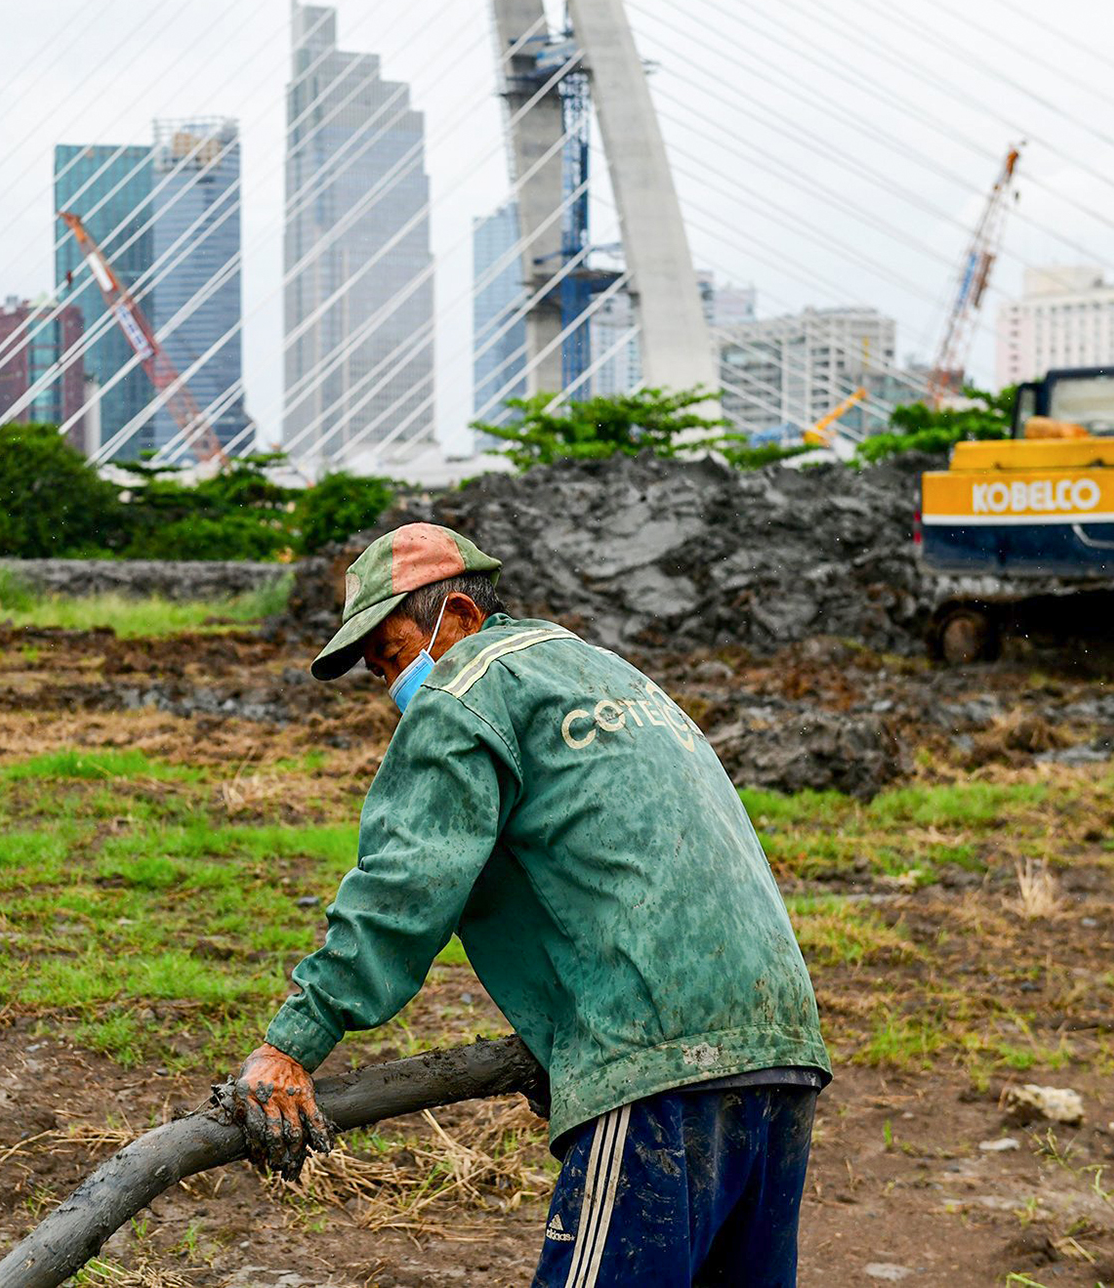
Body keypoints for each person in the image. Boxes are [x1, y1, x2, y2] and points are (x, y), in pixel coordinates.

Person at [231, 522, 831, 1287]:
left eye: (393, 654)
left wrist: (293, 1044)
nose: (394, 685)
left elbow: (405, 886)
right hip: (779, 1041)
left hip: (652, 1053)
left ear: (459, 617)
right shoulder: (602, 669)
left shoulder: (466, 690)